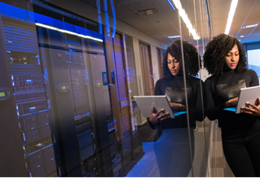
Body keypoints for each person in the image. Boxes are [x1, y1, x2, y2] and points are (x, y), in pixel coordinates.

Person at [203, 33, 260, 178]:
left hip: (256, 132)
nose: (233, 58)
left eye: (236, 54)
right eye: (229, 55)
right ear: (219, 56)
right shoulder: (210, 82)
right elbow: (210, 113)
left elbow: (257, 101)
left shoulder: (250, 74)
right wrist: (227, 103)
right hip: (231, 139)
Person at [148, 40, 204, 177]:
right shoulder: (160, 84)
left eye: (176, 61)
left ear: (185, 60)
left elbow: (201, 115)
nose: (172, 66)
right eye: (169, 62)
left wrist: (181, 107)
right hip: (162, 139)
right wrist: (152, 119)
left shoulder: (196, 84)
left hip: (184, 140)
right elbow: (155, 119)